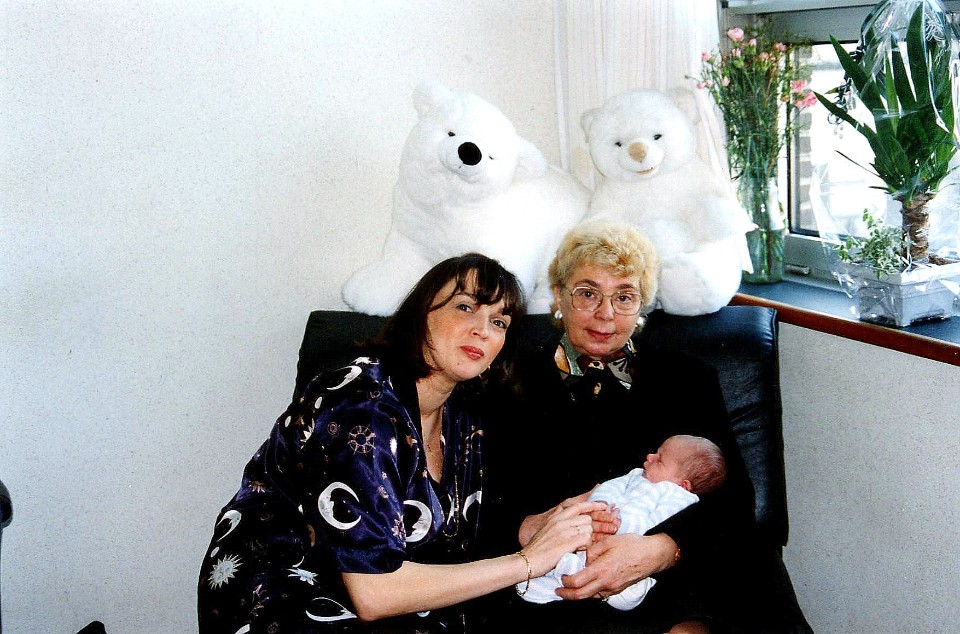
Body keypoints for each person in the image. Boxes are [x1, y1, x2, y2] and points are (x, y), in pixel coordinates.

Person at [197, 253, 606, 633]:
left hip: (377, 593)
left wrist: (531, 528)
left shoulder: (464, 414)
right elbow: (375, 593)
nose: (483, 329)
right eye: (465, 307)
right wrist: (528, 562)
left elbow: (455, 541)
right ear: (420, 315)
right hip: (280, 591)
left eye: (499, 322)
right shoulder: (362, 407)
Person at [481, 220, 758, 634]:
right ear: (559, 295)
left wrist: (663, 549)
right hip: (549, 582)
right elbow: (476, 501)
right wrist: (527, 530)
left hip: (665, 576)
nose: (605, 313)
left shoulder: (687, 379)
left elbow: (734, 499)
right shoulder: (506, 383)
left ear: (642, 305)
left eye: (624, 296)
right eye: (587, 293)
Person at [520, 435, 727, 611]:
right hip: (600, 528)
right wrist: (601, 503)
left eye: (660, 460)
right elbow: (610, 487)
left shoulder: (680, 498)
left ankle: (568, 572)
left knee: (631, 594)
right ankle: (559, 575)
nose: (650, 457)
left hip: (630, 546)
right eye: (655, 452)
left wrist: (624, 525)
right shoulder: (635, 475)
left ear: (683, 484)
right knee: (573, 550)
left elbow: (659, 522)